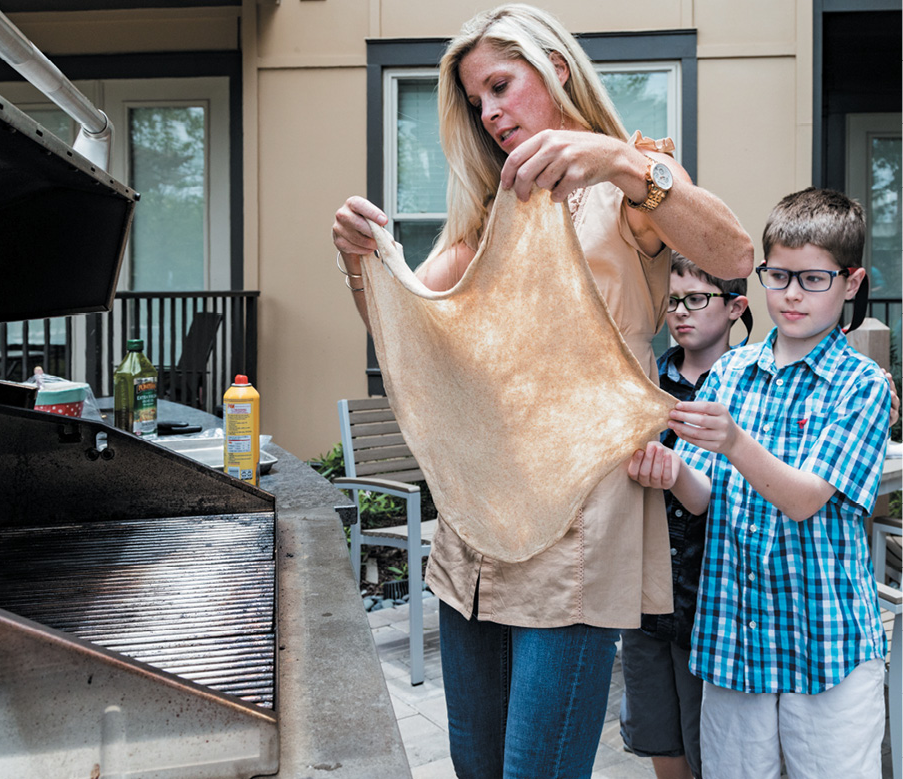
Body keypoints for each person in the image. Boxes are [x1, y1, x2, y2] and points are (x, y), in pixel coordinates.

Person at [332, 5, 753, 776]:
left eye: (500, 84)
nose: (489, 112)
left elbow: (733, 249)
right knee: (477, 765)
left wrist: (619, 161)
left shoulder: (634, 181)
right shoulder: (486, 216)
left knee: (537, 768)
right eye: (474, 100)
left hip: (579, 522)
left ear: (555, 67)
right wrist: (364, 265)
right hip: (476, 530)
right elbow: (411, 340)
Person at [627, 187, 891, 779]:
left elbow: (803, 501)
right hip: (734, 645)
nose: (791, 294)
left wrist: (735, 442)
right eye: (778, 275)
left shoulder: (863, 384)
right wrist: (670, 474)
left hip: (826, 647)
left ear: (851, 283)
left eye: (813, 279)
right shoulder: (732, 371)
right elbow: (707, 499)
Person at [619, 252, 749, 779]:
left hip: (714, 597)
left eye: (696, 299)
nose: (681, 312)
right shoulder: (645, 378)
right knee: (656, 729)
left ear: (737, 306)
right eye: (672, 301)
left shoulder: (754, 382)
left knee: (709, 742)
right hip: (645, 588)